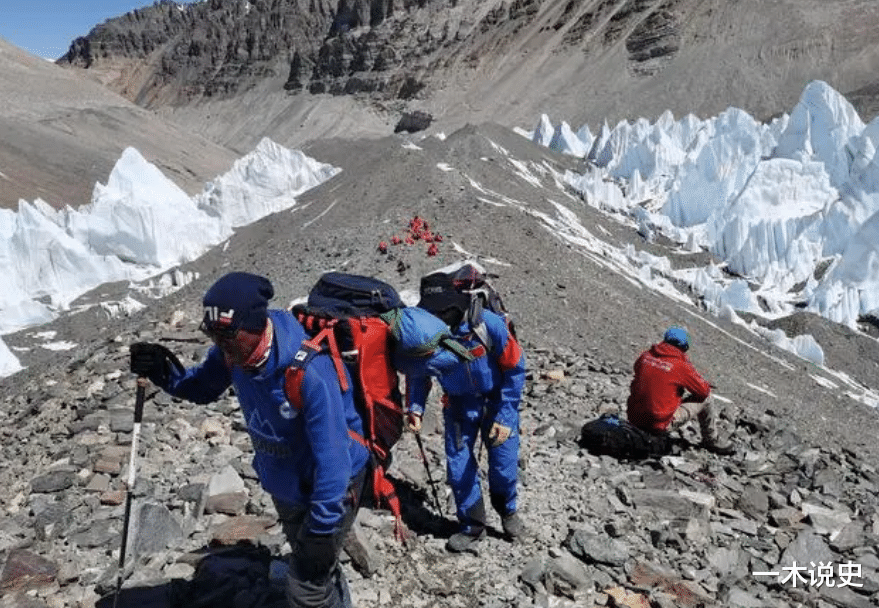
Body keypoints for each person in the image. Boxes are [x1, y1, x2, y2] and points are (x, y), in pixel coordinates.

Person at [129, 271, 369, 608]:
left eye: (227, 336)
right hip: (285, 481)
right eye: (212, 335)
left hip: (332, 486)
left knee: (305, 587)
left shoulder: (311, 372)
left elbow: (334, 460)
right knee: (312, 564)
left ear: (256, 326)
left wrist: (322, 527)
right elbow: (201, 388)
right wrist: (163, 372)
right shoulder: (234, 354)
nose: (220, 346)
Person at [400, 300, 527, 553]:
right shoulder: (426, 331)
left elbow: (514, 366)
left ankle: (508, 511)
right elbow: (419, 372)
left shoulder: (487, 324)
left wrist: (505, 415)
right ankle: (472, 526)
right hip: (458, 404)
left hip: (496, 400)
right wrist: (415, 407)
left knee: (504, 461)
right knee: (459, 465)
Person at [626, 327, 735, 455]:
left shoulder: (645, 356)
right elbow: (703, 391)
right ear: (684, 347)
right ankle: (712, 441)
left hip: (634, 418)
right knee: (707, 399)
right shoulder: (680, 365)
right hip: (658, 424)